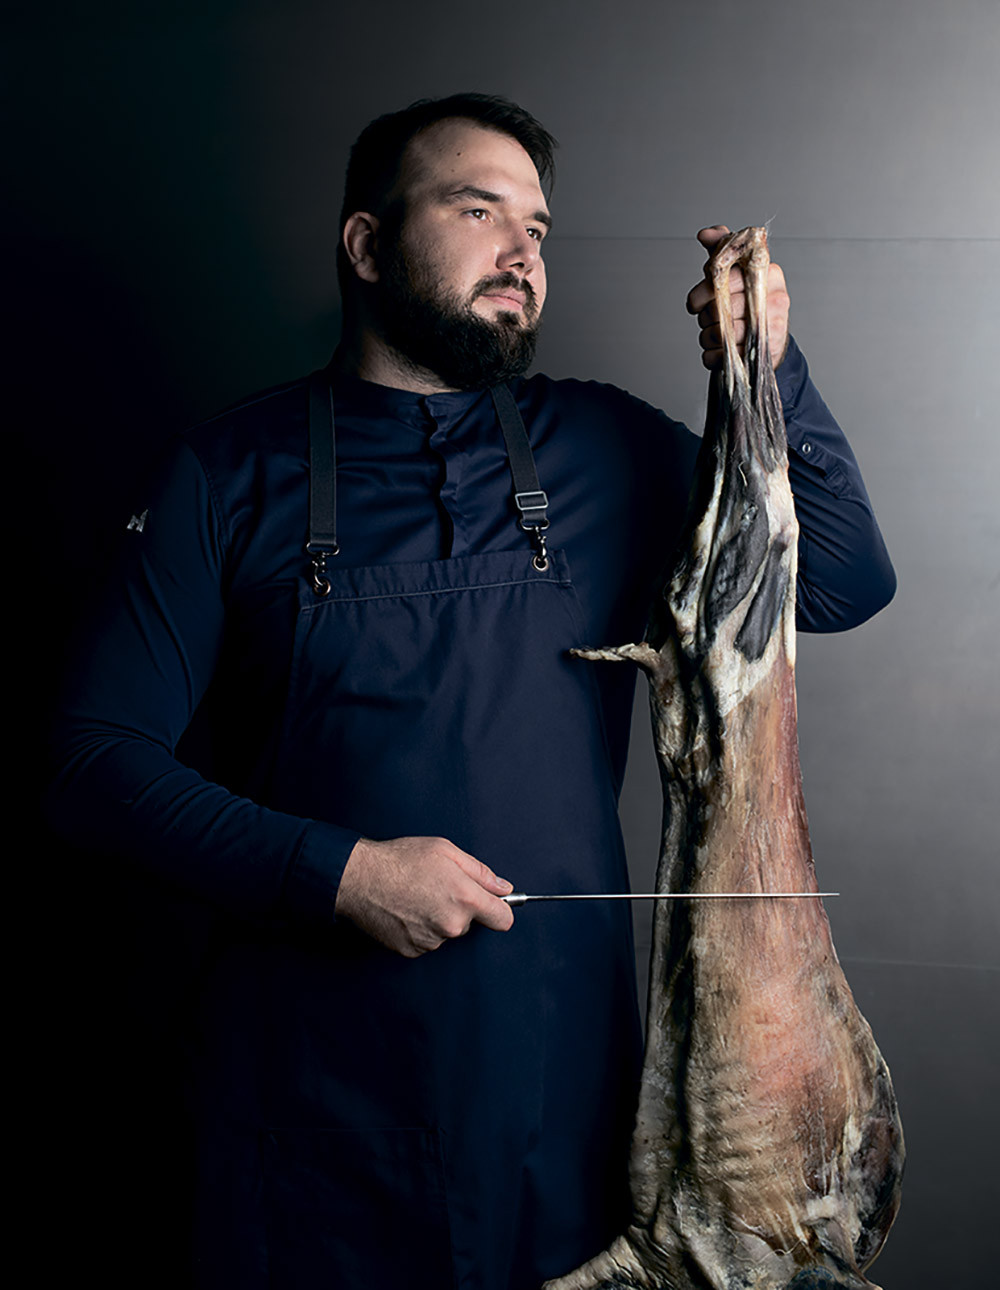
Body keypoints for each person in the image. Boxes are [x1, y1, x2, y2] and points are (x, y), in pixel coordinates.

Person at [47, 93, 895, 1290]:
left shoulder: (605, 449)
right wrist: (339, 873)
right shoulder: (227, 473)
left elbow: (844, 581)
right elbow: (88, 762)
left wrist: (766, 370)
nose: (521, 252)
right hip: (308, 1123)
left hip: (566, 1116)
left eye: (536, 227)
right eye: (475, 209)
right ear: (366, 245)